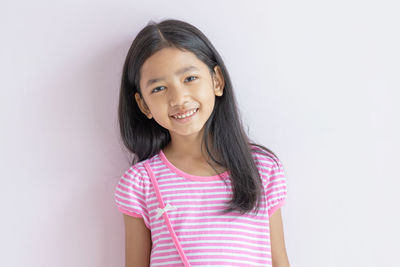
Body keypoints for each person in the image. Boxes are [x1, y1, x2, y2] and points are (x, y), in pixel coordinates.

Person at [114, 18, 290, 267]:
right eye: (159, 88)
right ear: (143, 105)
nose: (178, 98)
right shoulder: (140, 183)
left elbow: (279, 261)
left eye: (189, 79)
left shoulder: (262, 169)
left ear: (217, 80)